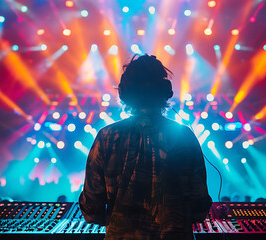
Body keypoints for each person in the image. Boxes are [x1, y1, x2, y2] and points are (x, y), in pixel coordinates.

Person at [79, 54, 212, 240]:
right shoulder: (184, 136)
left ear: (124, 93)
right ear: (165, 91)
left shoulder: (107, 137)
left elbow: (92, 208)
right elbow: (200, 207)